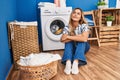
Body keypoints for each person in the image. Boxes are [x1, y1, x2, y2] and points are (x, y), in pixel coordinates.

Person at [60, 8, 90, 75]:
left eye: (78, 13)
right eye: (74, 13)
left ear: (81, 17)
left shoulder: (84, 25)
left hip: (83, 47)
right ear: (71, 15)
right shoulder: (67, 27)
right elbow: (62, 39)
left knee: (81, 41)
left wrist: (68, 36)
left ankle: (75, 63)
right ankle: (68, 63)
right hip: (72, 48)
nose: (75, 15)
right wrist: (79, 36)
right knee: (69, 42)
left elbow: (84, 39)